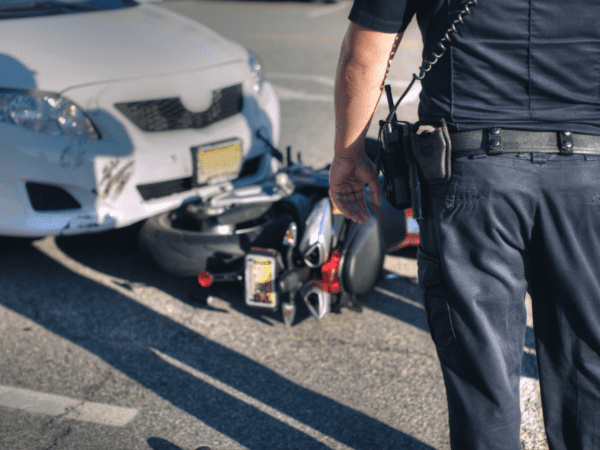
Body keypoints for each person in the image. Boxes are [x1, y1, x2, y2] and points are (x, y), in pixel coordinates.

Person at [329, 0, 600, 449]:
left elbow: (365, 55)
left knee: (481, 373)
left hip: (472, 179)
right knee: (588, 366)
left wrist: (347, 156)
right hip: (588, 176)